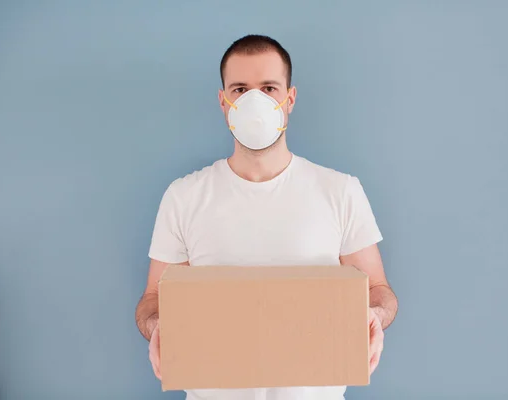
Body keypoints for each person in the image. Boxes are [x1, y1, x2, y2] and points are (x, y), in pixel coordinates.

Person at [135, 34, 398, 400]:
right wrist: (159, 326)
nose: (254, 101)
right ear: (223, 102)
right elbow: (153, 299)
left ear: (289, 99)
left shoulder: (340, 191)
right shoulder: (184, 196)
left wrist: (372, 317)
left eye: (269, 88)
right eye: (240, 89)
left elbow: (378, 291)